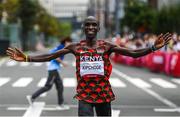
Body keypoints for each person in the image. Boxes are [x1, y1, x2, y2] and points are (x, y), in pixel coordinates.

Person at [6, 16, 172, 116]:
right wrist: (27, 58)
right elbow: (50, 56)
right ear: (84, 28)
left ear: (98, 28)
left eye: (94, 25)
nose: (91, 27)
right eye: (88, 24)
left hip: (104, 94)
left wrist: (152, 48)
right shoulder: (75, 47)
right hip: (84, 95)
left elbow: (133, 54)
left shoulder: (106, 46)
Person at [27, 37, 72, 110]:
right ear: (66, 42)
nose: (70, 44)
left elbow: (51, 52)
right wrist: (63, 63)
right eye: (69, 42)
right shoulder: (61, 47)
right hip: (53, 70)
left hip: (55, 69)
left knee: (60, 87)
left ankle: (61, 103)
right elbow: (55, 56)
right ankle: (32, 97)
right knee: (48, 86)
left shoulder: (61, 47)